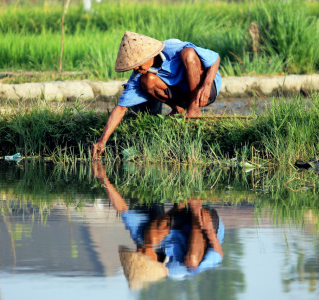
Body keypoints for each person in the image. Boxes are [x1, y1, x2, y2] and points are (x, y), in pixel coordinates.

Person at [92, 161, 224, 289]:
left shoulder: (143, 239)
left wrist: (103, 179)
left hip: (181, 219)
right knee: (192, 261)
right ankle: (194, 205)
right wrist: (210, 232)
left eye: (138, 251)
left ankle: (182, 201)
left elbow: (122, 209)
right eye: (143, 253)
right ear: (155, 262)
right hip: (206, 225)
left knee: (150, 235)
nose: (140, 249)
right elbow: (218, 255)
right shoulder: (176, 270)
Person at [91, 31, 222, 159]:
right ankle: (179, 110)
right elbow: (121, 108)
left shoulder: (173, 47)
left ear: (148, 55)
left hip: (205, 90)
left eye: (138, 64)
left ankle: (194, 109)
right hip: (181, 95)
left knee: (188, 54)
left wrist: (207, 85)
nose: (137, 69)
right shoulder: (139, 74)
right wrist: (102, 140)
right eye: (134, 67)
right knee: (147, 80)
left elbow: (215, 58)